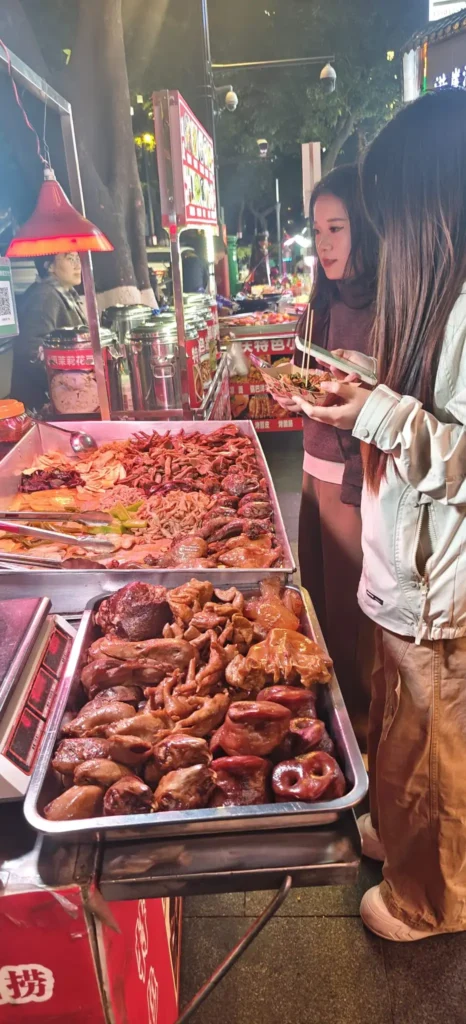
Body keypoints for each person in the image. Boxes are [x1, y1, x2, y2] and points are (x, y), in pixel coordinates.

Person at [295, 88, 466, 941]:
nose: (381, 234)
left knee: (434, 750)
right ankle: (402, 843)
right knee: (402, 731)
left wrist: (373, 410)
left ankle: (429, 901)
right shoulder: (435, 296)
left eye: (387, 211)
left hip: (442, 584)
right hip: (410, 570)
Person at [275, 165, 378, 741]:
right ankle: (329, 721)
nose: (325, 244)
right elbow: (308, 380)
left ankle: (359, 733)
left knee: (349, 613)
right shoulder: (320, 303)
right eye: (317, 232)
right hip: (315, 469)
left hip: (356, 477)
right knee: (314, 597)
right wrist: (289, 387)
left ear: (367, 227)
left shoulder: (392, 304)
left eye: (337, 228)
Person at [11, 252, 86, 412]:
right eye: (70, 259)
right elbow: (30, 351)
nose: (77, 264)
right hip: (40, 403)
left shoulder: (65, 293)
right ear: (49, 266)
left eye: (78, 258)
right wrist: (63, 384)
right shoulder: (45, 296)